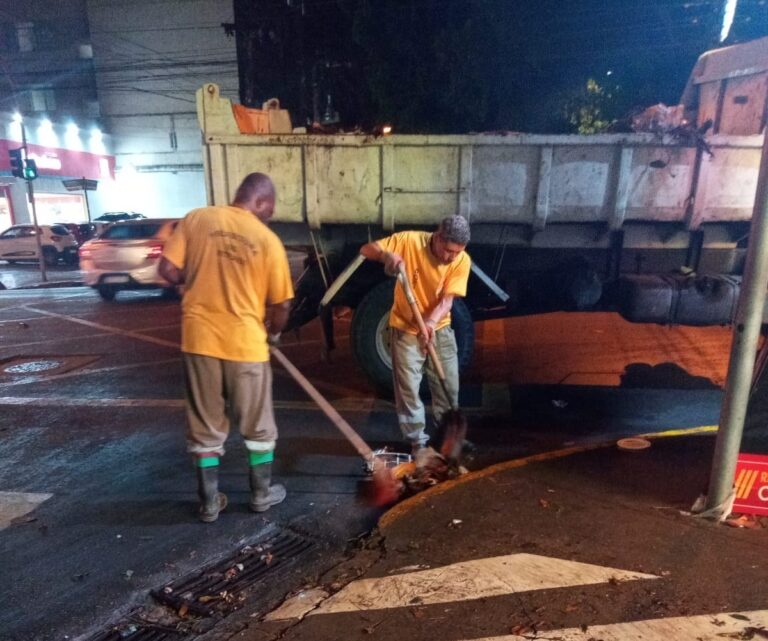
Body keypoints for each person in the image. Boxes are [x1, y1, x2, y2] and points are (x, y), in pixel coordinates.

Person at [158, 172, 294, 523]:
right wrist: (274, 334)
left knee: (205, 424)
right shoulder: (267, 240)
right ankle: (261, 495)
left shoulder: (197, 219)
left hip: (199, 341)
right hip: (247, 346)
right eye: (271, 208)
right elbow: (282, 306)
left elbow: (168, 269)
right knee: (258, 426)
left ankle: (208, 503)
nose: (271, 215)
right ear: (260, 201)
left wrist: (192, 279)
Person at [359, 216, 471, 455]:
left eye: (458, 253)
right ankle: (417, 441)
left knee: (448, 385)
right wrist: (387, 256)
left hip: (439, 328)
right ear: (438, 238)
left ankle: (447, 436)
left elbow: (448, 300)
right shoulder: (410, 241)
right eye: (450, 251)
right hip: (405, 329)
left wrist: (430, 323)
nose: (452, 257)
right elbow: (367, 249)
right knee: (408, 389)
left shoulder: (462, 260)